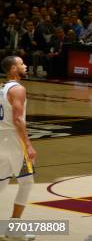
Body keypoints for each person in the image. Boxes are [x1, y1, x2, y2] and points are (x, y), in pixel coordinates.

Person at [0, 56, 36, 222]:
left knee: (1, 182)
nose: (25, 65)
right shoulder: (18, 89)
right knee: (27, 183)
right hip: (14, 141)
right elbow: (17, 119)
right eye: (22, 63)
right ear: (14, 69)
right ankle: (14, 228)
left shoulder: (2, 89)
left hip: (1, 139)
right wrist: (28, 144)